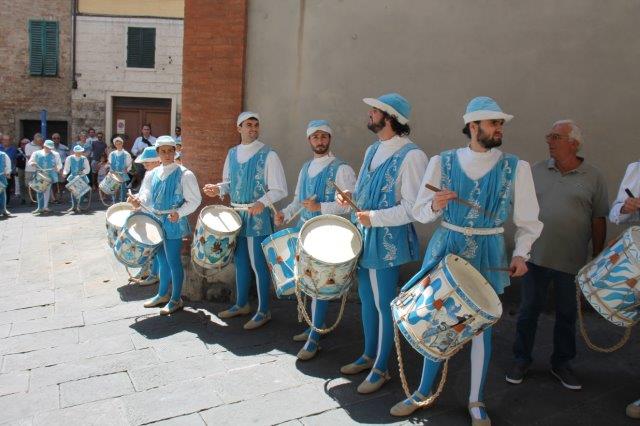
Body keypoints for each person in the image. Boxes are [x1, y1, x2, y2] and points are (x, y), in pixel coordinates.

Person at [391, 97, 543, 424]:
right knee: (434, 319)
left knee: (479, 328)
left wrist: (521, 253)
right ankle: (422, 392)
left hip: (489, 251)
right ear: (473, 126)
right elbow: (419, 212)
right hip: (447, 246)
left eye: (501, 123)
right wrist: (435, 204)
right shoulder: (441, 162)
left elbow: (529, 220)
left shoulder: (516, 167)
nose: (499, 128)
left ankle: (476, 400)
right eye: (493, 123)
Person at [336, 93, 428, 395]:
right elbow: (364, 189)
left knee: (383, 303)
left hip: (387, 242)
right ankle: (368, 354)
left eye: (375, 111)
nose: (370, 114)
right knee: (367, 299)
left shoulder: (413, 156)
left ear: (390, 118)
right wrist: (349, 195)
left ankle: (382, 367)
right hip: (366, 236)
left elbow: (413, 208)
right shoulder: (372, 149)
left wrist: (374, 217)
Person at [507, 120, 608, 392]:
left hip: (571, 261)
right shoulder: (536, 171)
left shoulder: (594, 176)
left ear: (573, 143)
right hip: (535, 257)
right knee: (528, 311)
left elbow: (598, 218)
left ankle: (562, 363)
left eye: (555, 137)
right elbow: (521, 209)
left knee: (567, 315)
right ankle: (521, 359)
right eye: (549, 136)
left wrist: (597, 256)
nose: (549, 141)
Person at [274, 120, 356, 360]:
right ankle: (314, 326)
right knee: (308, 283)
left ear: (329, 139)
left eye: (323, 136)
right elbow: (298, 201)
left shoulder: (342, 169)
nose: (320, 141)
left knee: (320, 285)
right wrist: (285, 214)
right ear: (309, 140)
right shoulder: (305, 168)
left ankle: (314, 338)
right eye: (315, 137)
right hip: (305, 231)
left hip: (328, 233)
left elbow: (351, 205)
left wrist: (321, 207)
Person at [203, 111, 287, 330]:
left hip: (257, 217)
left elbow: (279, 189)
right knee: (240, 262)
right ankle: (241, 304)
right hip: (236, 216)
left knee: (258, 265)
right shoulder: (232, 154)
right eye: (248, 124)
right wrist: (218, 189)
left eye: (256, 125)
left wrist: (262, 202)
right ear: (239, 128)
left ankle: (264, 310)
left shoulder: (269, 154)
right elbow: (229, 184)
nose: (253, 128)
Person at [129, 136, 201, 314]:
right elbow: (146, 194)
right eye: (163, 151)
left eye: (170, 151)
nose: (167, 154)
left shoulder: (185, 174)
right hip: (156, 220)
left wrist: (180, 213)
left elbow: (194, 200)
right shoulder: (152, 174)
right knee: (161, 259)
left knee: (173, 260)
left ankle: (176, 299)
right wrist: (138, 200)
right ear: (158, 153)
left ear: (175, 151)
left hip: (173, 221)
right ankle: (162, 294)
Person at [130, 146, 163, 286]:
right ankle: (147, 271)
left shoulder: (154, 173)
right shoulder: (152, 172)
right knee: (152, 246)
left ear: (156, 161)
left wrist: (139, 200)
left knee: (152, 247)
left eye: (147, 162)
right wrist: (137, 197)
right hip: (151, 212)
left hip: (152, 213)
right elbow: (145, 191)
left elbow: (148, 194)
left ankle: (153, 274)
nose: (144, 164)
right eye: (144, 162)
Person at [27, 139, 62, 215]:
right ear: (44, 146)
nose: (49, 149)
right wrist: (32, 163)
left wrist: (57, 168)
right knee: (39, 189)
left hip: (50, 174)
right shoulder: (36, 153)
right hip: (39, 174)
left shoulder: (55, 154)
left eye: (50, 148)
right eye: (47, 147)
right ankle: (40, 207)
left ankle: (45, 207)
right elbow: (30, 162)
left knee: (46, 190)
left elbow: (59, 164)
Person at [62, 145, 91, 213]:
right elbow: (67, 167)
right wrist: (65, 173)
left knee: (82, 192)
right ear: (74, 152)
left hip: (82, 176)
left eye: (80, 152)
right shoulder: (70, 158)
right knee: (73, 191)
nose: (79, 153)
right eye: (78, 152)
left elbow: (88, 169)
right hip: (73, 176)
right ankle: (73, 206)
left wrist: (82, 172)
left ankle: (79, 206)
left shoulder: (84, 158)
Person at [131, 125, 157, 189]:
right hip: (141, 160)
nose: (146, 131)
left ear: (150, 131)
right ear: (142, 130)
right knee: (139, 174)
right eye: (145, 129)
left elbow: (157, 150)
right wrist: (139, 151)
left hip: (151, 161)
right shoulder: (138, 139)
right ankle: (140, 187)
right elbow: (133, 149)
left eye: (148, 129)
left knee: (151, 174)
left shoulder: (154, 139)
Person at [108, 137, 133, 203]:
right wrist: (110, 171)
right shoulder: (112, 154)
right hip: (114, 174)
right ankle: (114, 202)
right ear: (115, 145)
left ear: (122, 144)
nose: (118, 145)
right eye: (116, 144)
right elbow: (110, 163)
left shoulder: (126, 154)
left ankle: (122, 202)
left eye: (119, 144)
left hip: (122, 174)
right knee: (113, 188)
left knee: (122, 189)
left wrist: (127, 170)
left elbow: (129, 164)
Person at [0, 134, 18, 203]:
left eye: (8, 140)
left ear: (10, 141)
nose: (6, 141)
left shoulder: (14, 149)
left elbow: (15, 160)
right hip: (0, 171)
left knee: (7, 187)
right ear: (1, 140)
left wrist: (14, 170)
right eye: (4, 140)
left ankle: (6, 202)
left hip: (9, 172)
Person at [15, 138, 30, 204]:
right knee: (21, 184)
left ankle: (29, 198)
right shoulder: (18, 150)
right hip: (20, 169)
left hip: (29, 169)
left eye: (26, 143)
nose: (24, 145)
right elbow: (15, 159)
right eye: (22, 144)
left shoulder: (30, 150)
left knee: (28, 184)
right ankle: (23, 198)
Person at [0, 148, 11, 216]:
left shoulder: (3, 155)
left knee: (2, 193)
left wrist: (7, 172)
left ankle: (3, 209)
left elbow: (8, 164)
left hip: (1, 176)